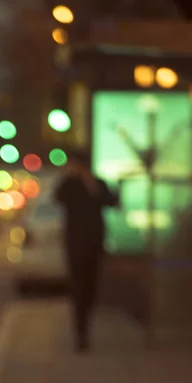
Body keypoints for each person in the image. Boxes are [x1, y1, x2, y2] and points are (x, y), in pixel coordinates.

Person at [54, 151, 120, 352]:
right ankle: (81, 334)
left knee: (91, 286)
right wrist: (70, 176)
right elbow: (58, 197)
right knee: (79, 286)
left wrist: (91, 183)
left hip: (94, 242)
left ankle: (85, 325)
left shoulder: (97, 183)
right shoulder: (69, 184)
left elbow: (111, 202)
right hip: (75, 243)